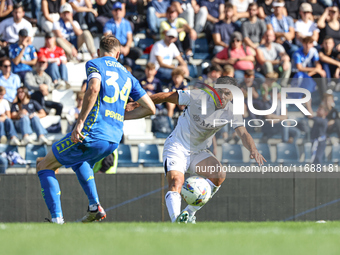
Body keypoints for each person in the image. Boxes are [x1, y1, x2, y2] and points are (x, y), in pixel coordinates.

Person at [35, 35, 155, 224]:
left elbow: (93, 89)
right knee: (80, 161)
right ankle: (94, 206)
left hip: (92, 132)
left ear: (99, 52)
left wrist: (80, 122)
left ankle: (57, 219)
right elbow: (150, 108)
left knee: (44, 166)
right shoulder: (128, 75)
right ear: (118, 54)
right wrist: (121, 116)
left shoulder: (95, 63)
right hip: (114, 139)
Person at [127, 76, 265, 223]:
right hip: (177, 146)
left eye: (227, 93)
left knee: (219, 174)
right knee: (176, 182)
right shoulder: (198, 96)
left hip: (199, 152)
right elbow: (167, 96)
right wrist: (137, 104)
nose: (222, 97)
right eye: (219, 92)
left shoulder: (232, 111)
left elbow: (243, 132)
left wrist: (253, 149)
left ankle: (188, 214)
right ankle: (176, 221)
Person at [103, 2, 142, 67]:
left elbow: (130, 38)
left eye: (120, 10)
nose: (118, 12)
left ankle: (129, 62)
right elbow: (109, 38)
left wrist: (127, 47)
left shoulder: (127, 23)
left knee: (138, 52)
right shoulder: (108, 24)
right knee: (116, 59)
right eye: (116, 10)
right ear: (112, 11)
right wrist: (119, 48)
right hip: (114, 47)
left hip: (125, 46)